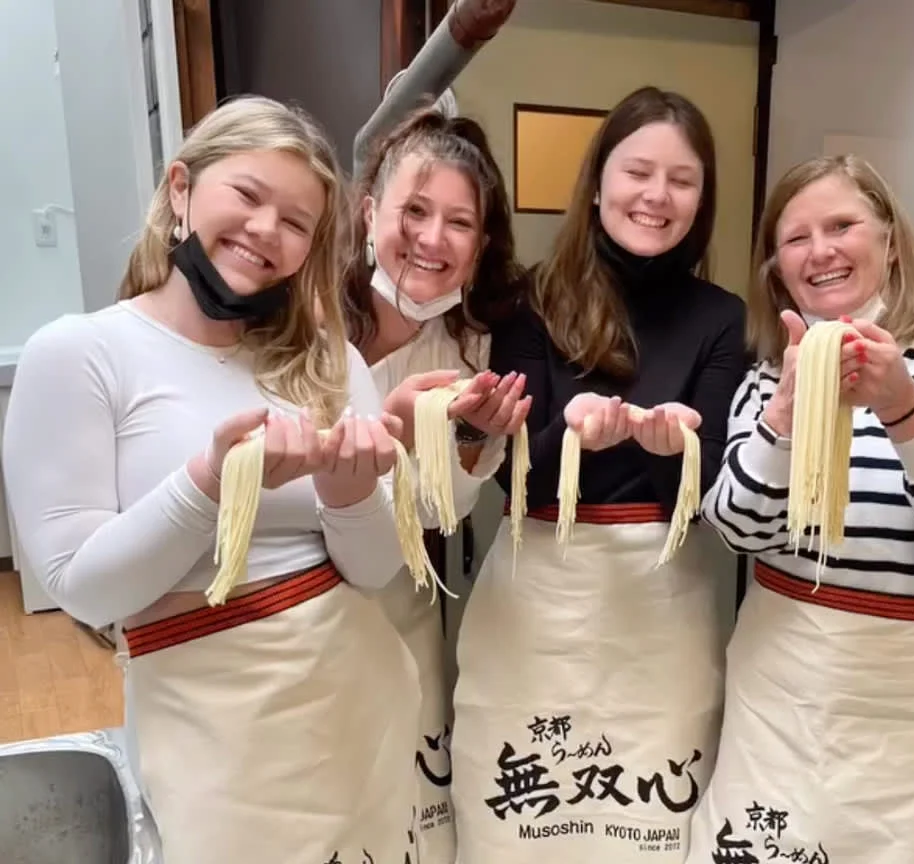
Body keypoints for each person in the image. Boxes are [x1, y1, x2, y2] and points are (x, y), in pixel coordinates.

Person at [2, 96, 429, 863]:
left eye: (297, 223)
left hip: (358, 704)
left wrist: (350, 490)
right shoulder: (82, 354)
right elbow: (83, 588)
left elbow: (375, 571)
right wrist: (208, 484)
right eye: (248, 195)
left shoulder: (330, 362)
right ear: (180, 188)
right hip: (213, 729)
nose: (267, 230)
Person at [688, 154, 914, 864]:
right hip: (789, 695)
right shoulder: (771, 369)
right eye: (795, 239)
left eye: (842, 225)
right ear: (777, 271)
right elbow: (735, 526)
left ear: (889, 238)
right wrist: (786, 414)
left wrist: (904, 406)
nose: (820, 250)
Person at [449, 85, 748, 863]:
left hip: (666, 603)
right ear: (599, 178)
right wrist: (568, 433)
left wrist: (664, 452)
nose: (656, 196)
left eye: (682, 180)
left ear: (703, 198)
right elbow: (511, 480)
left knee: (647, 823)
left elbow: (716, 488)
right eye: (637, 171)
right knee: (525, 824)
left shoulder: (722, 318)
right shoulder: (533, 301)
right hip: (538, 597)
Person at [343, 104, 531, 864]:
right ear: (368, 212)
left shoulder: (467, 340)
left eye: (459, 223)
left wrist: (469, 439)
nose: (431, 239)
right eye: (413, 211)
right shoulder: (306, 324)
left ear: (480, 246)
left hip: (400, 604)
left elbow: (436, 516)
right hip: (295, 608)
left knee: (410, 824)